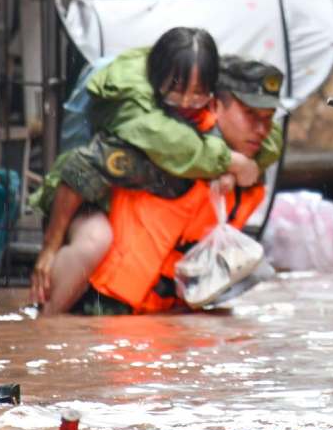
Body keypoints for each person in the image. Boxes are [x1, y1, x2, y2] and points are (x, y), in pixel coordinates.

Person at [28, 28, 282, 312]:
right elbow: (78, 171)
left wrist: (232, 167)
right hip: (80, 202)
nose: (186, 103)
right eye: (176, 92)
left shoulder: (218, 141)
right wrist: (49, 250)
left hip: (150, 286)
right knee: (94, 240)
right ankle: (44, 320)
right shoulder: (151, 132)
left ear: (210, 95)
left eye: (197, 94)